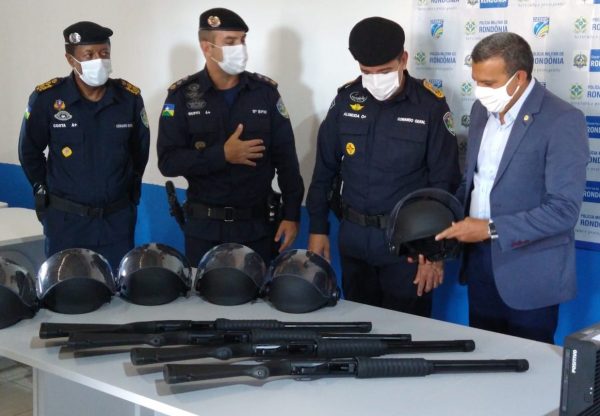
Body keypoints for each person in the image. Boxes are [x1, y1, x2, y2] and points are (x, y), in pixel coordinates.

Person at [435, 32, 589, 343]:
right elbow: (474, 181)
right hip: (479, 263)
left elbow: (563, 210)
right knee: (484, 356)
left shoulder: (563, 120)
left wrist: (490, 228)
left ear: (519, 77)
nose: (480, 91)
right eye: (476, 81)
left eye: (488, 83)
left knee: (529, 364)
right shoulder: (480, 111)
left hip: (530, 272)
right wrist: (440, 221)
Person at [306, 17, 460, 317]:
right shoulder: (346, 101)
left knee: (406, 331)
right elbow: (324, 169)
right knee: (358, 324)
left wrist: (433, 252)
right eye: (367, 72)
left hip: (408, 246)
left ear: (403, 59)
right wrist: (317, 229)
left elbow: (444, 182)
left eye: (385, 71)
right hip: (354, 240)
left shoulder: (429, 106)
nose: (375, 80)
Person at [157, 8, 304, 266]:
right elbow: (168, 162)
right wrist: (221, 155)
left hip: (256, 227)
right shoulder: (181, 97)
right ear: (207, 47)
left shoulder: (265, 94)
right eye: (231, 41)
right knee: (203, 291)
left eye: (243, 40)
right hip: (204, 229)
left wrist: (292, 215)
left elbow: (287, 160)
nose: (241, 48)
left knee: (256, 290)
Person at [18, 21, 150, 271]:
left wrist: (127, 189)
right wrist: (43, 190)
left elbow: (139, 151)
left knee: (116, 289)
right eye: (88, 55)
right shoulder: (47, 99)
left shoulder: (128, 98)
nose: (98, 60)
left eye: (104, 53)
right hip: (66, 222)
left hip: (116, 222)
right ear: (71, 59)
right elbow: (29, 151)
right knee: (66, 288)